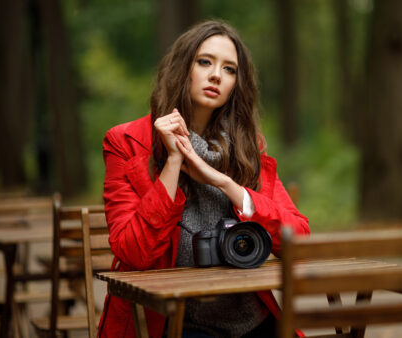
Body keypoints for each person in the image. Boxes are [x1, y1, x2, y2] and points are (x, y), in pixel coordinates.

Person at [99, 20, 309, 338]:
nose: (216, 75)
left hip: (248, 319)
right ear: (183, 67)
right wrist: (174, 160)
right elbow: (134, 252)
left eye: (229, 69)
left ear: (237, 84)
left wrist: (224, 183)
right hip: (171, 322)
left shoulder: (247, 147)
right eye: (205, 62)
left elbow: (299, 240)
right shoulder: (126, 142)